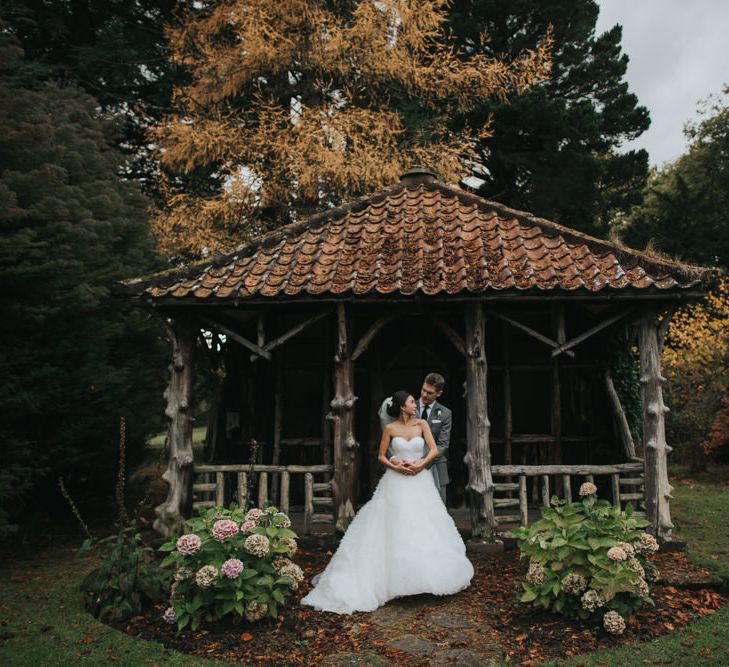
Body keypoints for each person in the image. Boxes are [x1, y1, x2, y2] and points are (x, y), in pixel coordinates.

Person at [301, 390, 473, 614]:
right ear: (402, 407)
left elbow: (433, 450)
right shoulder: (391, 429)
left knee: (424, 525)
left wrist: (420, 465)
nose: (415, 404)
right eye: (412, 402)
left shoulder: (422, 424)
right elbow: (381, 455)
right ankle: (393, 580)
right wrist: (396, 465)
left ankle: (425, 576)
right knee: (395, 526)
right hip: (397, 480)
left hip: (420, 480)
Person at [379, 372, 452, 502]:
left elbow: (442, 445)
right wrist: (395, 459)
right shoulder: (406, 404)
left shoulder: (445, 413)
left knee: (435, 510)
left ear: (439, 394)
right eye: (423, 390)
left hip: (434, 466)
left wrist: (420, 462)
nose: (424, 394)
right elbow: (390, 440)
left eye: (429, 393)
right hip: (403, 469)